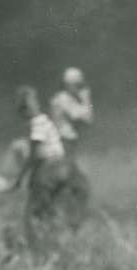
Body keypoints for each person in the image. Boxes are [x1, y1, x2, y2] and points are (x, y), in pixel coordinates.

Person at [12, 85, 90, 250]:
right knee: (54, 208)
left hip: (50, 169)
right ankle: (62, 243)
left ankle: (38, 247)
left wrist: (20, 179)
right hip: (64, 165)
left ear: (23, 110)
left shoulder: (36, 123)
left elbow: (35, 155)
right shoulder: (45, 120)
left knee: (34, 213)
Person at [49, 67, 94, 159]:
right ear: (68, 85)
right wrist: (86, 99)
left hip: (66, 142)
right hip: (64, 142)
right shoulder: (63, 99)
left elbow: (89, 119)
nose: (80, 89)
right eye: (78, 85)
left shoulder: (66, 99)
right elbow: (87, 119)